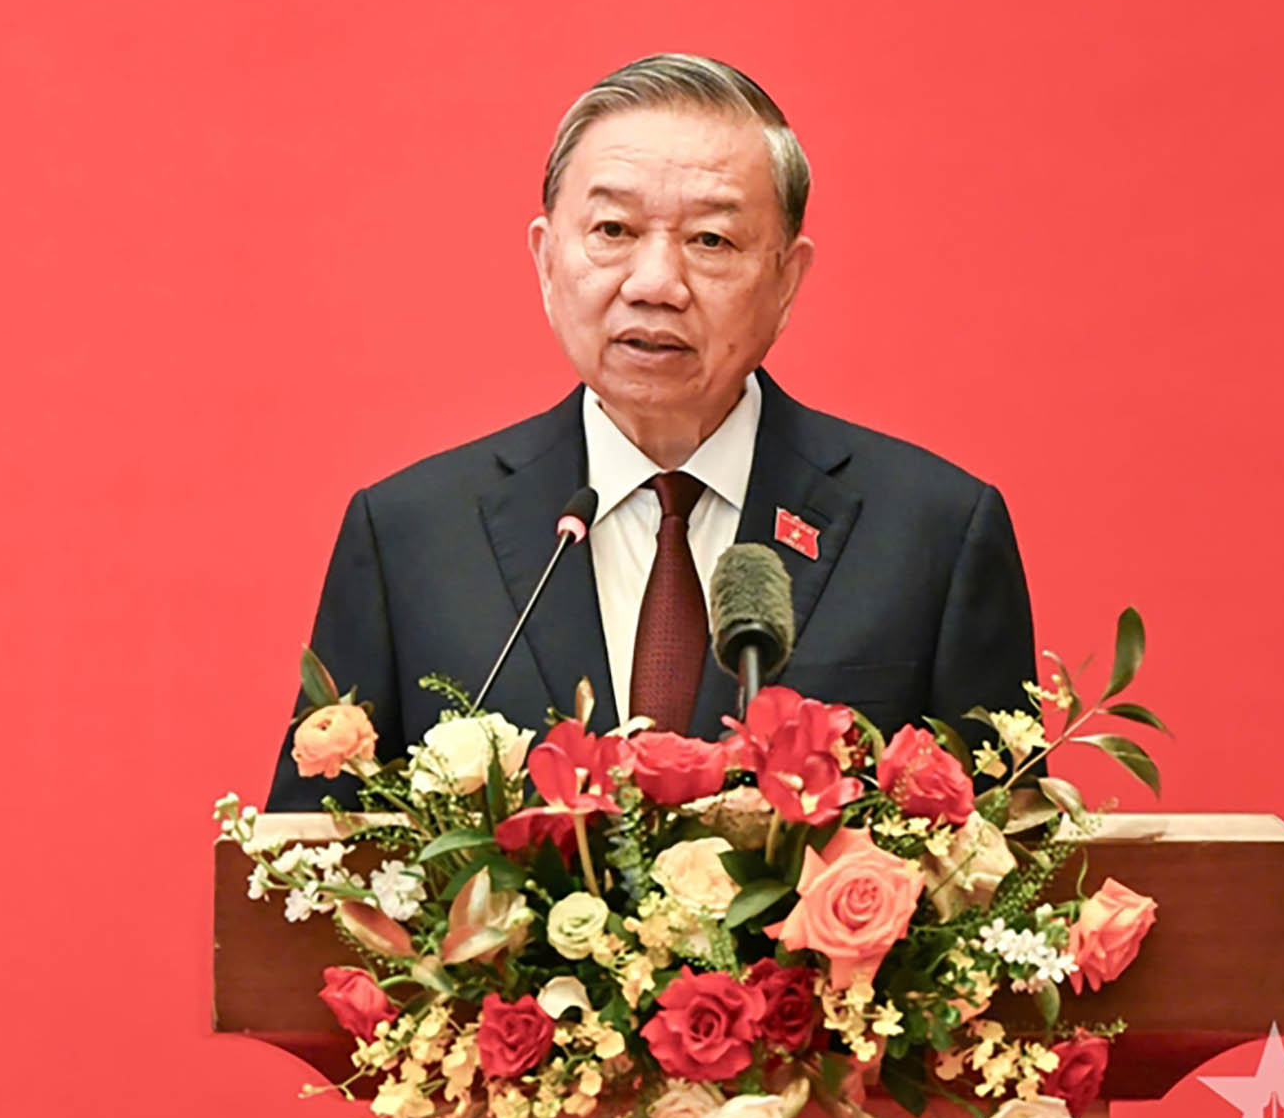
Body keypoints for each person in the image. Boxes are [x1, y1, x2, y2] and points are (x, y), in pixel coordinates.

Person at [266, 53, 1034, 812]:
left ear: (787, 281)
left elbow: (1006, 872)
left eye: (712, 241)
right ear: (545, 260)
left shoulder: (933, 536)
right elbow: (309, 875)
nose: (656, 284)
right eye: (613, 229)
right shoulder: (411, 537)